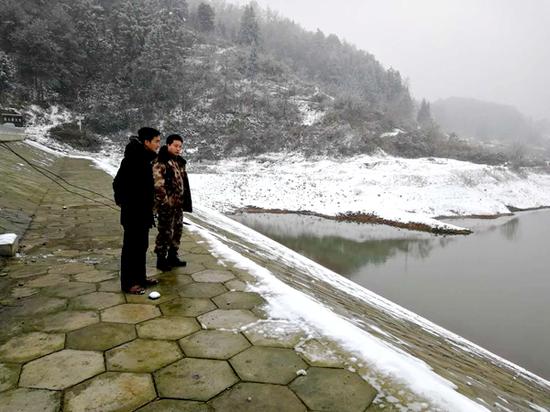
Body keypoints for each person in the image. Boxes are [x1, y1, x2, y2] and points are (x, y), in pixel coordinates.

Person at [113, 127, 161, 294]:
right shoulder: (132, 159)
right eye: (156, 141)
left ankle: (140, 278)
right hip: (133, 213)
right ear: (146, 142)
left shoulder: (145, 159)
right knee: (131, 248)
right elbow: (117, 184)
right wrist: (126, 204)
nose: (158, 145)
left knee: (142, 246)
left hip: (143, 213)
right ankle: (128, 284)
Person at [153, 134, 193, 271]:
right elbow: (158, 186)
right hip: (167, 205)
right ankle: (161, 259)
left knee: (177, 231)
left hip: (178, 205)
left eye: (180, 146)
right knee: (165, 232)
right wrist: (165, 202)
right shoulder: (161, 162)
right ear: (168, 145)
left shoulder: (179, 162)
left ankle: (172, 256)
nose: (178, 149)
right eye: (175, 146)